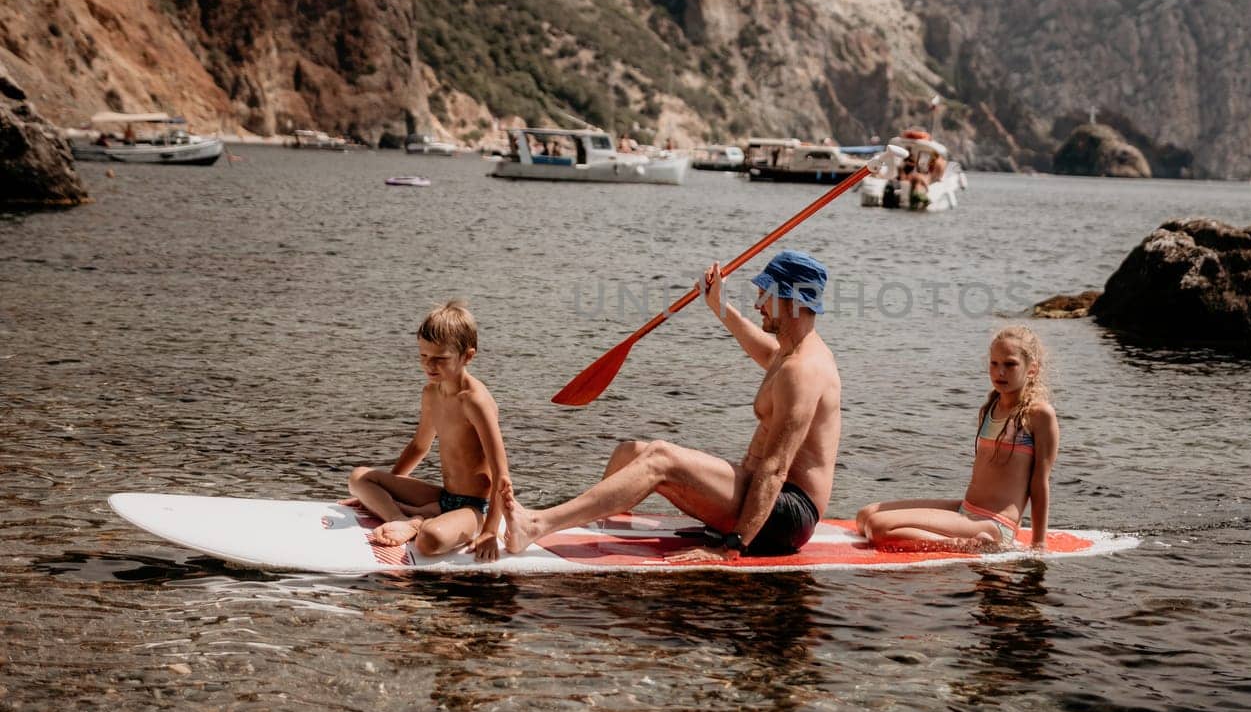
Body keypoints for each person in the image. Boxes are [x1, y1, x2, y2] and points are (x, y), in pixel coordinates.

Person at [502, 250, 841, 560]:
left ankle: (535, 524)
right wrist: (719, 307)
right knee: (629, 453)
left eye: (765, 295)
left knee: (661, 458)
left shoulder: (804, 371)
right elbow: (764, 352)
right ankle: (585, 526)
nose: (758, 304)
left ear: (790, 301)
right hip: (760, 492)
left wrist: (731, 548)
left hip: (786, 515)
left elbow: (775, 469)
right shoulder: (788, 354)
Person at [856, 326, 1058, 552]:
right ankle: (963, 534)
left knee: (877, 527)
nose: (1000, 372)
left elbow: (1040, 482)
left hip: (994, 523)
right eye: (994, 363)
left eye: (1010, 364)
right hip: (967, 509)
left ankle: (965, 544)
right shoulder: (990, 408)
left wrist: (1038, 544)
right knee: (866, 515)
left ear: (1032, 369)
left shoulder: (1039, 415)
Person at [347, 300, 512, 561]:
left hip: (475, 507)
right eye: (423, 356)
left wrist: (491, 530)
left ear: (467, 356)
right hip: (445, 495)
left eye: (440, 359)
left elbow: (502, 473)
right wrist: (387, 490)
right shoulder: (431, 393)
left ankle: (419, 521)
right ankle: (403, 518)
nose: (429, 365)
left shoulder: (474, 401)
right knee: (359, 479)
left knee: (430, 540)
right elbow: (419, 446)